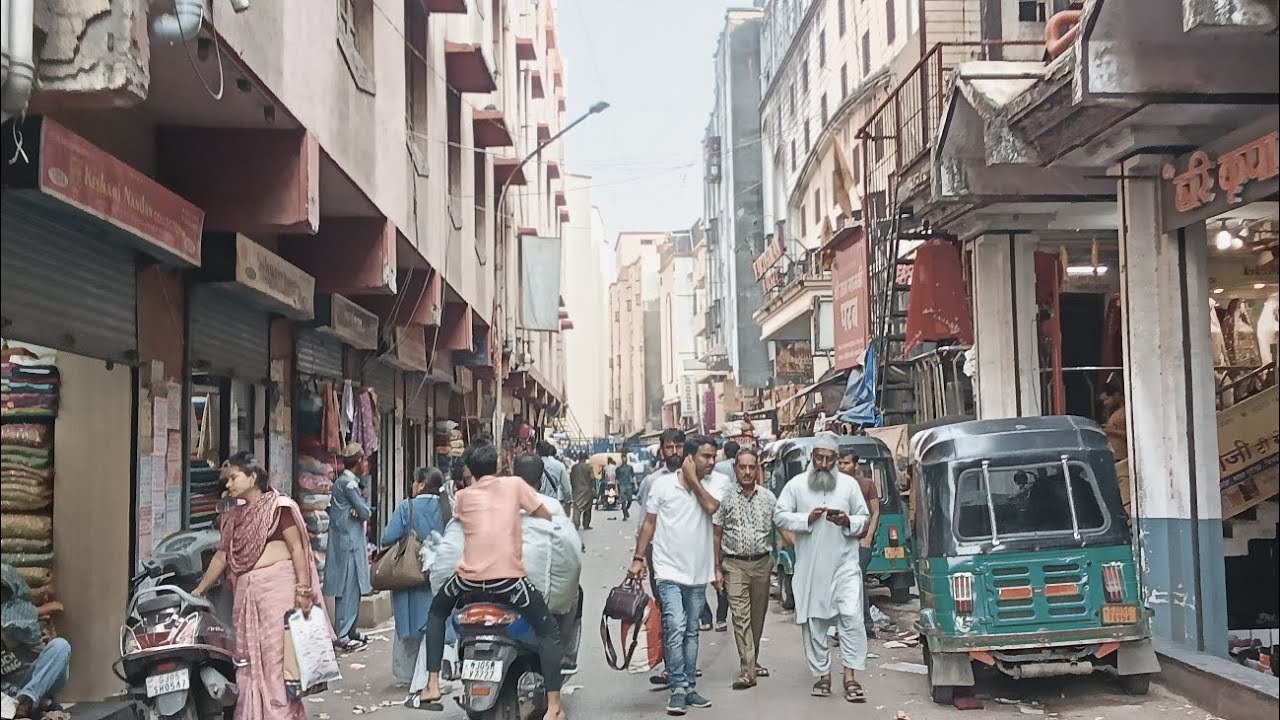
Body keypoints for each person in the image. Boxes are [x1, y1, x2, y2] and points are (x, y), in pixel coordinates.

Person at [417, 443, 567, 720]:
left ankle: (432, 684)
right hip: (509, 582)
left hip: (467, 581)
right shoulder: (514, 486)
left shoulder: (462, 497)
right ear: (497, 465)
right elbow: (545, 514)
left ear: (470, 471)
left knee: (437, 613)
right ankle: (555, 707)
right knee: (548, 632)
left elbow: (464, 521)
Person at [192, 452, 329, 720]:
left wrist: (303, 590)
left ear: (253, 477)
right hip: (247, 597)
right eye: (226, 481)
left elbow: (298, 548)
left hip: (278, 591)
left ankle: (280, 714)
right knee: (248, 661)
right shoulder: (232, 517)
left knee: (276, 661)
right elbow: (222, 556)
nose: (228, 485)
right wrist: (198, 591)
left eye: (233, 478)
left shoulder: (280, 508)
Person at [627, 435, 732, 716]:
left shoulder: (719, 484)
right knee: (674, 625)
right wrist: (638, 559)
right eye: (705, 457)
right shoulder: (661, 485)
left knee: (691, 631)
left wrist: (716, 568)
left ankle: (688, 686)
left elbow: (712, 508)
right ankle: (676, 688)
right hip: (667, 570)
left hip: (698, 571)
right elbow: (649, 524)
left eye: (714, 457)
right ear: (690, 457)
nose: (712, 462)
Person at [774, 433, 871, 704]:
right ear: (812, 457)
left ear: (837, 460)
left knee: (851, 618)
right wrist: (807, 518)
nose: (824, 464)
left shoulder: (849, 486)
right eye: (819, 458)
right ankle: (823, 675)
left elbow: (864, 519)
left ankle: (850, 677)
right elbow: (779, 514)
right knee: (815, 622)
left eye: (830, 459)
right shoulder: (796, 486)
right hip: (811, 568)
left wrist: (846, 521)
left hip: (845, 566)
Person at [511, 453, 583, 674]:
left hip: (499, 582)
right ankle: (566, 654)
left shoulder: (500, 504)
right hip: (538, 590)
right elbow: (567, 549)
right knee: (574, 596)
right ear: (541, 480)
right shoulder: (551, 505)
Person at [381, 467, 450, 695]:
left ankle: (410, 675)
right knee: (435, 620)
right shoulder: (446, 507)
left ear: (420, 484)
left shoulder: (407, 507)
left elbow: (387, 537)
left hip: (411, 572)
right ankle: (433, 673)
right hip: (439, 573)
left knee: (410, 621)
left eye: (414, 481)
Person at [713, 448, 777, 690]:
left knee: (757, 619)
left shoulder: (769, 498)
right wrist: (716, 569)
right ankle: (747, 671)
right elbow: (716, 534)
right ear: (735, 468)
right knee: (740, 618)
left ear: (757, 467)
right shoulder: (725, 497)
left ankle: (752, 660)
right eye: (743, 467)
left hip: (762, 563)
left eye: (752, 467)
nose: (748, 472)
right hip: (734, 564)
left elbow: (781, 528)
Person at [1, 565, 70, 719]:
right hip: (8, 690)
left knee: (61, 646)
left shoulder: (22, 612)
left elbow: (57, 607)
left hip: (35, 680)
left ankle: (27, 701)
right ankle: (28, 704)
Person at [324, 442, 373, 651]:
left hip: (348, 542)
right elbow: (365, 512)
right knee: (348, 589)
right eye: (364, 460)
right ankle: (343, 634)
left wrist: (358, 509)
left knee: (353, 589)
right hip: (348, 545)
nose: (366, 464)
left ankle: (350, 630)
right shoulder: (349, 484)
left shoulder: (346, 482)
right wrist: (359, 508)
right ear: (359, 461)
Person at [838, 449, 881, 638]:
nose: (842, 466)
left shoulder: (867, 485)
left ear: (856, 465)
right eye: (839, 463)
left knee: (856, 581)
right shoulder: (836, 487)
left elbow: (875, 512)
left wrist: (868, 537)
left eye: (846, 463)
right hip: (841, 542)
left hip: (861, 542)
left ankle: (864, 624)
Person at [537, 441, 574, 510]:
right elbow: (566, 489)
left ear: (537, 451)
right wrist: (567, 503)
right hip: (553, 505)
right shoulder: (559, 465)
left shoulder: (533, 464)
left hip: (537, 506)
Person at [1099, 378, 1127, 462]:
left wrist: (1111, 431)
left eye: (1107, 399)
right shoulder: (1112, 412)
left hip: (1122, 457)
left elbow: (1131, 434)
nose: (1105, 403)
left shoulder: (1125, 411)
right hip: (1112, 455)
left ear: (1116, 395)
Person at [570, 455, 595, 530]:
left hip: (577, 490)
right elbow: (592, 478)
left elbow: (571, 478)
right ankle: (586, 524)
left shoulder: (574, 467)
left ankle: (576, 524)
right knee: (587, 508)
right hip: (587, 490)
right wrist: (593, 488)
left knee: (577, 508)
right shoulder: (589, 467)